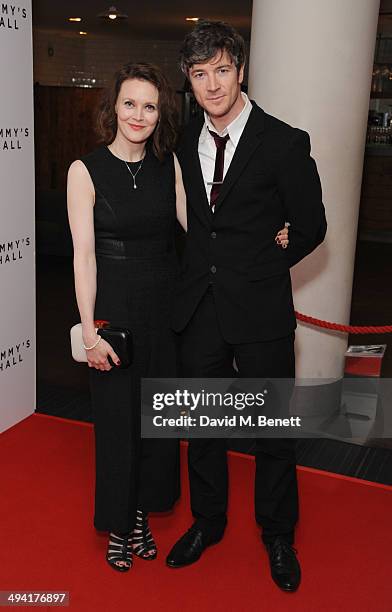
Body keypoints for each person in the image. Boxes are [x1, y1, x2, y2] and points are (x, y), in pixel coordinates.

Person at [67, 60, 289, 573]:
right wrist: (90, 331)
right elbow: (83, 257)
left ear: (160, 112)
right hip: (114, 316)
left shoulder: (170, 166)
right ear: (113, 108)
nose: (139, 115)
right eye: (129, 103)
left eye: (149, 105)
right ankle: (119, 524)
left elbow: (204, 228)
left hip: (167, 315)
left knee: (159, 426)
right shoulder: (86, 170)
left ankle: (144, 513)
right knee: (118, 425)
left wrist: (269, 233)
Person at [166, 21, 327, 593]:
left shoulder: (284, 141)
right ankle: (208, 523)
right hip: (200, 311)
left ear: (240, 67)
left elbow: (311, 226)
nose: (212, 84)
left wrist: (268, 253)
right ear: (189, 79)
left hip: (260, 309)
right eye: (199, 73)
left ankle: (278, 533)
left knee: (271, 430)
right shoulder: (186, 139)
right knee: (204, 427)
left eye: (221, 69)